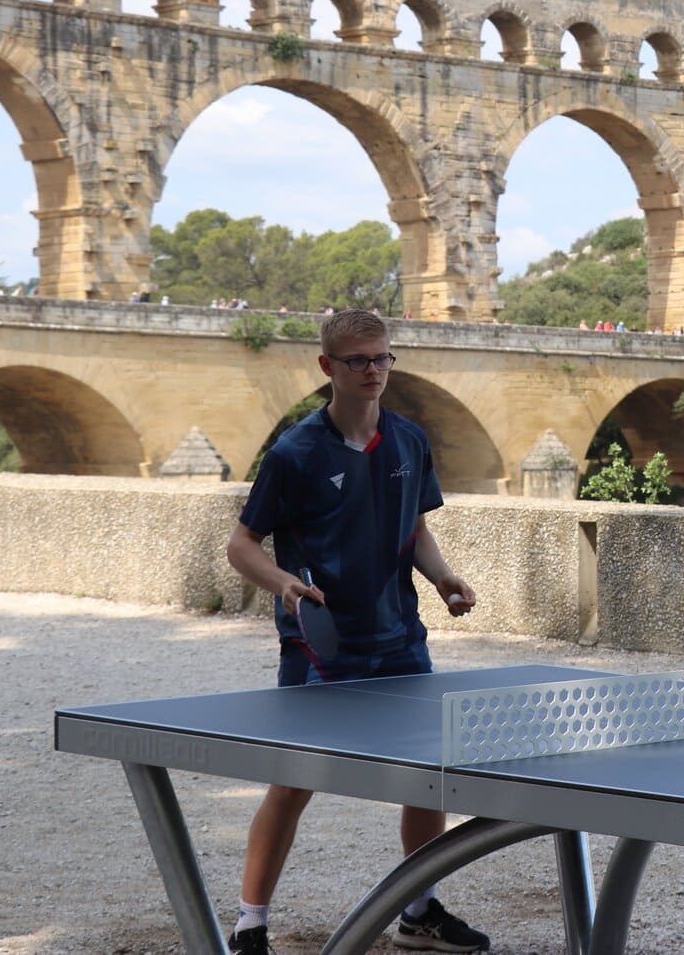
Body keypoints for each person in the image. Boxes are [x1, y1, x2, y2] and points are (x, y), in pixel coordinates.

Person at [223, 309, 490, 955]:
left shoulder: (410, 440)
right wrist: (284, 583)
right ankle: (250, 924)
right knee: (293, 781)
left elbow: (415, 530)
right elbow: (241, 546)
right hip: (321, 646)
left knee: (429, 775)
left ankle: (419, 912)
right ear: (328, 368)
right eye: (359, 361)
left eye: (383, 358)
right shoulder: (295, 452)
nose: (374, 370)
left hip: (399, 637)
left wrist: (444, 578)